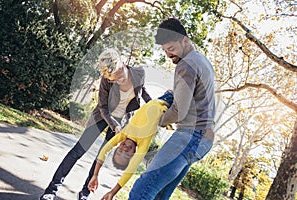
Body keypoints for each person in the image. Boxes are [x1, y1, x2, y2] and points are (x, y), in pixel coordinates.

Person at [39, 48, 152, 200]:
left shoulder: (139, 74)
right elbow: (103, 108)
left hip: (122, 119)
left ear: (123, 64)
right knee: (78, 151)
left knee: (100, 157)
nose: (114, 81)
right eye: (111, 80)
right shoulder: (106, 79)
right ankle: (50, 191)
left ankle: (84, 194)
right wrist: (114, 126)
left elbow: (142, 91)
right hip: (102, 117)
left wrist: (154, 105)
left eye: (116, 78)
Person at [128, 17, 216, 200]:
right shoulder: (201, 61)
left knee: (141, 191)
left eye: (171, 48)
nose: (168, 54)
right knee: (160, 195)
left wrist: (155, 119)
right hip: (202, 138)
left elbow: (178, 112)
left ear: (185, 40)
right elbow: (194, 97)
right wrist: (176, 93)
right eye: (165, 50)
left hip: (190, 136)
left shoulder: (186, 65)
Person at [88, 92, 174, 200]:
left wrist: (95, 175)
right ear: (133, 153)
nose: (125, 149)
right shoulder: (143, 144)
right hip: (169, 103)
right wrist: (113, 192)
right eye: (127, 154)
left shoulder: (124, 134)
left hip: (160, 99)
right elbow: (130, 170)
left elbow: (104, 150)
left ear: (117, 147)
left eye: (120, 151)